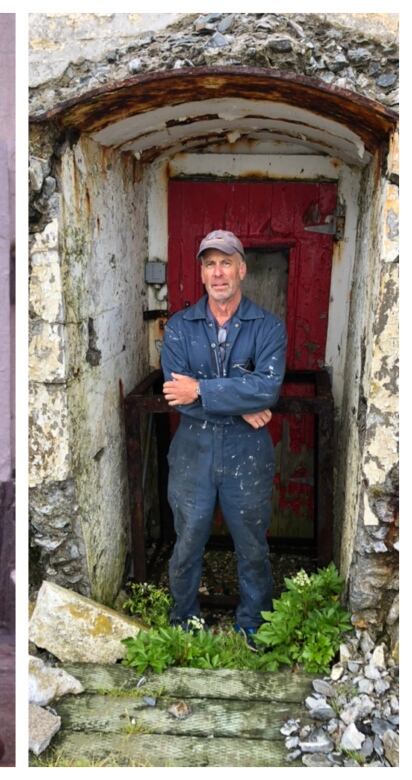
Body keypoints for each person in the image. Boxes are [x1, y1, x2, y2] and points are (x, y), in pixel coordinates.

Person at [161, 229, 286, 640]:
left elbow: (267, 389)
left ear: (242, 269)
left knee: (251, 543)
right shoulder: (179, 327)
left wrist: (201, 388)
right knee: (189, 538)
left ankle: (254, 624)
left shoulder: (268, 327)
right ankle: (184, 621)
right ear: (201, 273)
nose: (219, 273)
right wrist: (241, 402)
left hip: (247, 451)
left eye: (226, 262)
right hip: (192, 449)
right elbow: (176, 395)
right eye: (210, 264)